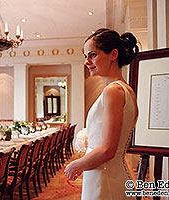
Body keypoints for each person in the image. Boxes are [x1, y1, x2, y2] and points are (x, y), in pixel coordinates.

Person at [64, 28, 139, 200]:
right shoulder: (126, 89)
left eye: (92, 55)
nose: (87, 62)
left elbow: (107, 150)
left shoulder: (113, 91)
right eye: (85, 57)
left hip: (105, 176)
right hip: (107, 172)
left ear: (113, 54)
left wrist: (75, 165)